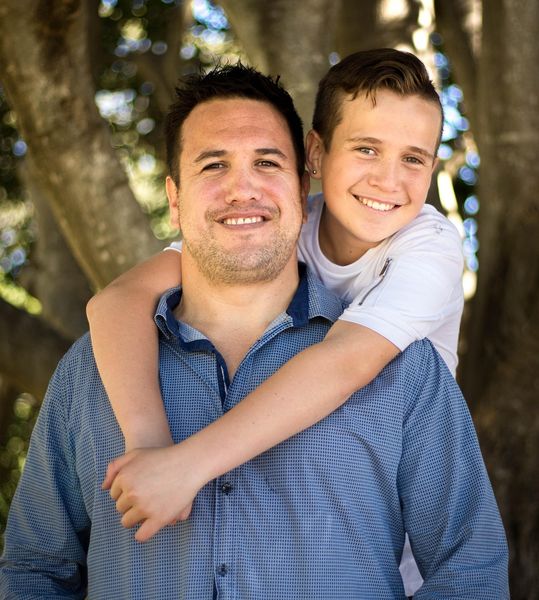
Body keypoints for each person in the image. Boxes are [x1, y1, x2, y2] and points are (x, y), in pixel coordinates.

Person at [1, 63, 508, 599]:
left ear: (301, 183)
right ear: (174, 199)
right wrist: (148, 444)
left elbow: (470, 573)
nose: (243, 189)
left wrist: (182, 466)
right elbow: (36, 570)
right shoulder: (94, 367)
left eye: (266, 162)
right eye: (214, 164)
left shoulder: (409, 341)